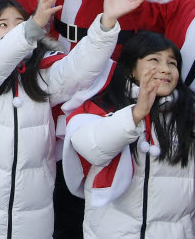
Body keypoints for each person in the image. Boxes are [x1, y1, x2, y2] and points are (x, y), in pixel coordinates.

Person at [0, 0, 144, 238]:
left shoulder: (42, 73)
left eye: (19, 23)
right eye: (3, 25)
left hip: (33, 209)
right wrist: (31, 27)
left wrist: (106, 23)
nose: (14, 29)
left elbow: (80, 68)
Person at [66, 32, 195, 238]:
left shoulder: (190, 116)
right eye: (154, 59)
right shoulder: (102, 106)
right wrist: (136, 114)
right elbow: (93, 149)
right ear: (131, 68)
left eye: (172, 63)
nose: (165, 69)